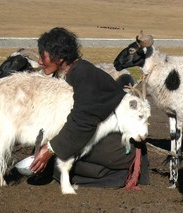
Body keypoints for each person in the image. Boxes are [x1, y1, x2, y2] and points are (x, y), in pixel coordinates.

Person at [28, 27, 150, 188]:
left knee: (61, 154)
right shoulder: (67, 74)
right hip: (102, 138)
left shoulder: (84, 74)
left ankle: (115, 175)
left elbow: (83, 121)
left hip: (119, 147)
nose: (40, 61)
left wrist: (50, 149)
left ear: (60, 57)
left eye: (44, 55)